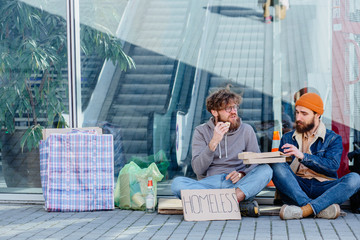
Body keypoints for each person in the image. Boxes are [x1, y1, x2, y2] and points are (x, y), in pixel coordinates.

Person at [171, 88, 273, 217]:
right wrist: (214, 141)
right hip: (210, 184)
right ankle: (234, 204)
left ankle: (223, 202)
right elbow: (198, 169)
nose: (234, 112)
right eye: (228, 109)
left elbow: (255, 163)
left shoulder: (247, 130)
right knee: (177, 183)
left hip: (237, 184)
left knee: (266, 170)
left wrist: (242, 174)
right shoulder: (201, 131)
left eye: (235, 107)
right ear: (214, 112)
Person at [271, 93, 360, 220]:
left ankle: (304, 210)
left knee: (355, 179)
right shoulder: (287, 137)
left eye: (304, 113)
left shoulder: (333, 139)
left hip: (325, 188)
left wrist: (302, 156)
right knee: (276, 165)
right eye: (296, 112)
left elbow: (332, 166)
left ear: (317, 115)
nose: (298, 117)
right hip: (297, 187)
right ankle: (318, 209)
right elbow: (282, 172)